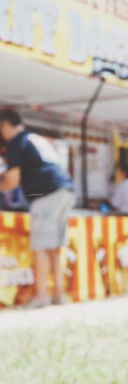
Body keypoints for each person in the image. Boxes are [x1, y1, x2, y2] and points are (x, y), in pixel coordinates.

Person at [0, 110, 75, 308]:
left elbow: (12, 180)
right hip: (65, 190)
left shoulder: (17, 141)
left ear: (5, 125)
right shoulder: (35, 138)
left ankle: (42, 296)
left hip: (47, 194)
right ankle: (59, 294)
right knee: (53, 247)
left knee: (41, 245)